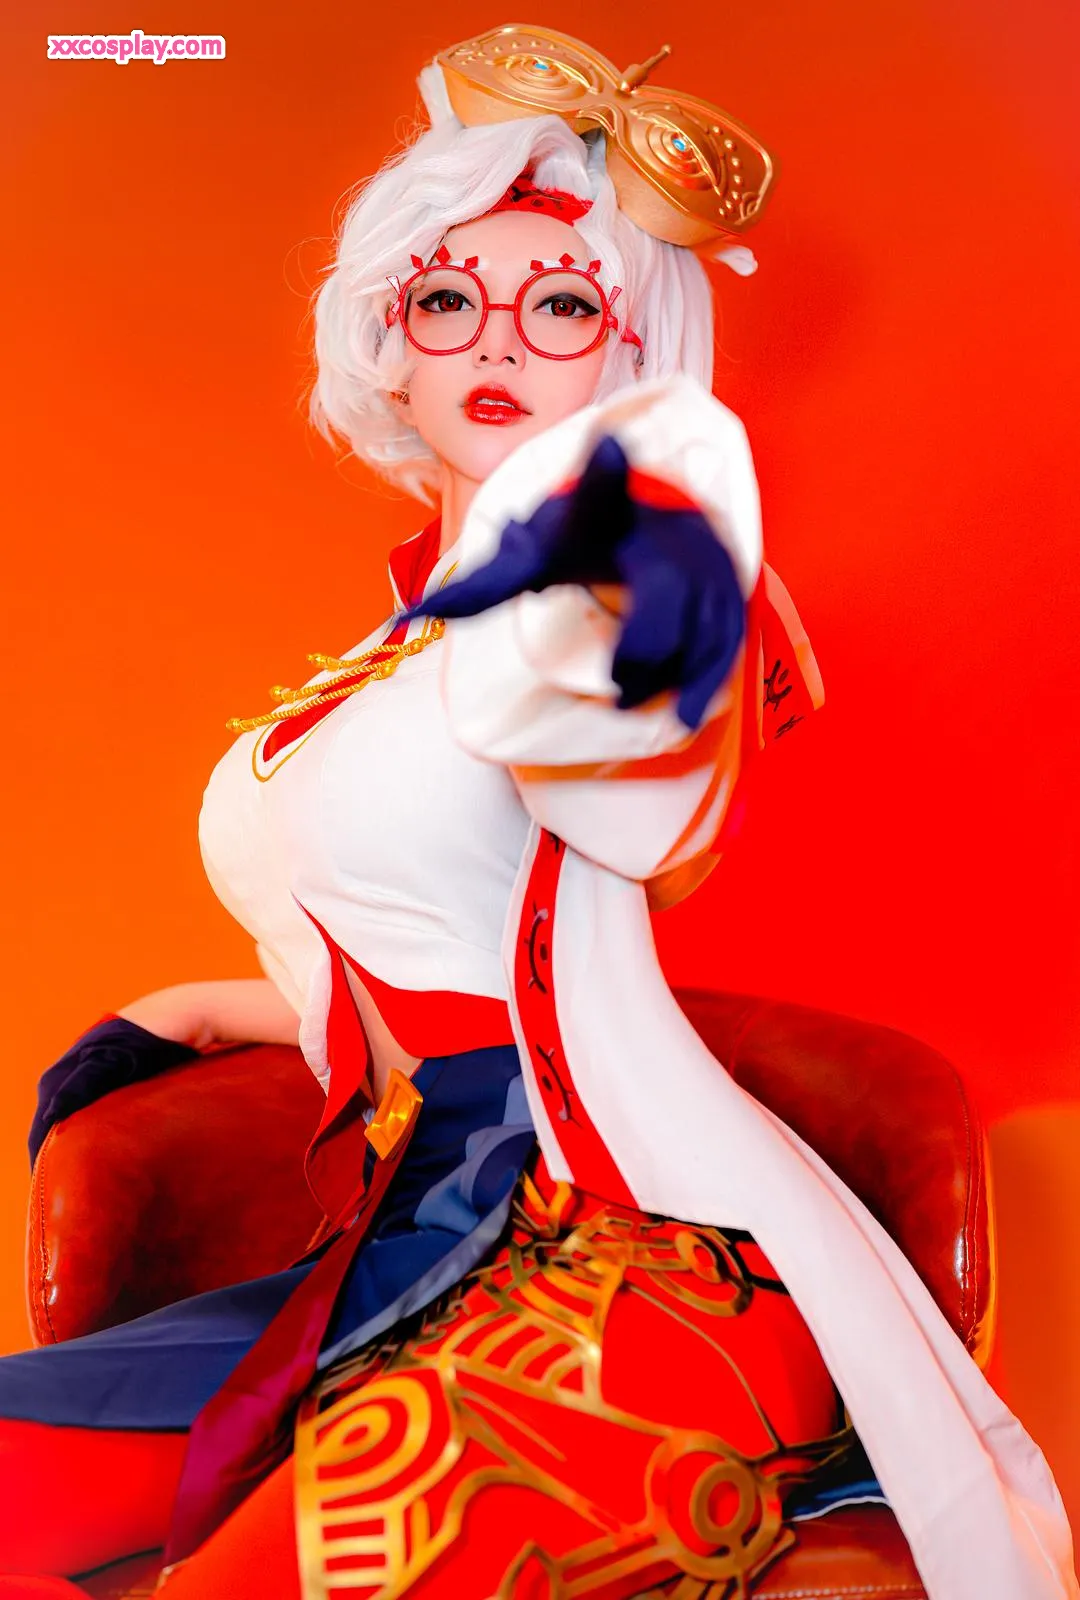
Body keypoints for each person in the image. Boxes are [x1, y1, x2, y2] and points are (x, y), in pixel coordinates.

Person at [0, 24, 1075, 1600]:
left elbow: (650, 824)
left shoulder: (614, 589)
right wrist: (214, 1006)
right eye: (448, 301)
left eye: (563, 305)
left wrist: (680, 604)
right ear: (389, 344)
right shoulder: (383, 653)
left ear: (628, 357)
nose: (497, 339)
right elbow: (437, 934)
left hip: (637, 1244)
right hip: (407, 1229)